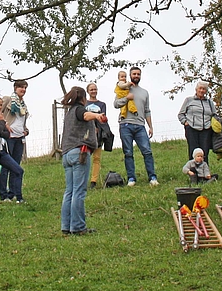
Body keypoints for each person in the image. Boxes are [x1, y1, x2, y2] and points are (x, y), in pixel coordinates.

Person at [59, 86, 106, 235]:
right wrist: (97, 116)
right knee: (79, 192)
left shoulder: (68, 113)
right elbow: (85, 116)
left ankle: (66, 226)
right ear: (83, 98)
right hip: (80, 153)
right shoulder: (79, 109)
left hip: (66, 155)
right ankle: (78, 227)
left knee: (69, 192)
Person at [114, 66, 158, 186]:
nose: (136, 76)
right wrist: (126, 99)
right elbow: (116, 104)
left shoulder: (144, 92)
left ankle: (152, 177)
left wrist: (150, 126)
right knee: (128, 152)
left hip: (140, 126)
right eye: (134, 74)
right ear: (130, 75)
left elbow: (147, 110)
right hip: (125, 124)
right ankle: (131, 178)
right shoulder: (124, 89)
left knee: (147, 151)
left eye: (138, 74)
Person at [177, 81, 217, 163]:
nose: (202, 91)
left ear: (206, 91)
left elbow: (214, 115)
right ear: (196, 89)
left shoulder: (209, 102)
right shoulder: (189, 100)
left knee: (204, 152)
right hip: (192, 129)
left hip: (206, 129)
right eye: (200, 88)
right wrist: (185, 122)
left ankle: (204, 173)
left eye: (204, 89)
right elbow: (181, 114)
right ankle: (193, 172)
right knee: (193, 151)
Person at [85, 82, 112, 187]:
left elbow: (103, 119)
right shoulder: (85, 104)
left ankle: (93, 181)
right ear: (88, 91)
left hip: (98, 135)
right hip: (86, 134)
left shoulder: (102, 104)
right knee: (85, 157)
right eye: (91, 89)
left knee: (96, 158)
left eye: (95, 89)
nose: (93, 91)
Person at [6, 79, 29, 167]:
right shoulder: (8, 99)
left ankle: (15, 181)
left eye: (25, 88)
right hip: (9, 137)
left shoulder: (23, 105)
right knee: (6, 165)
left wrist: (26, 131)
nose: (23, 90)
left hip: (20, 137)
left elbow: (21, 121)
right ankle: (2, 181)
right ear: (15, 88)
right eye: (21, 87)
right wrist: (5, 124)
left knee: (16, 165)